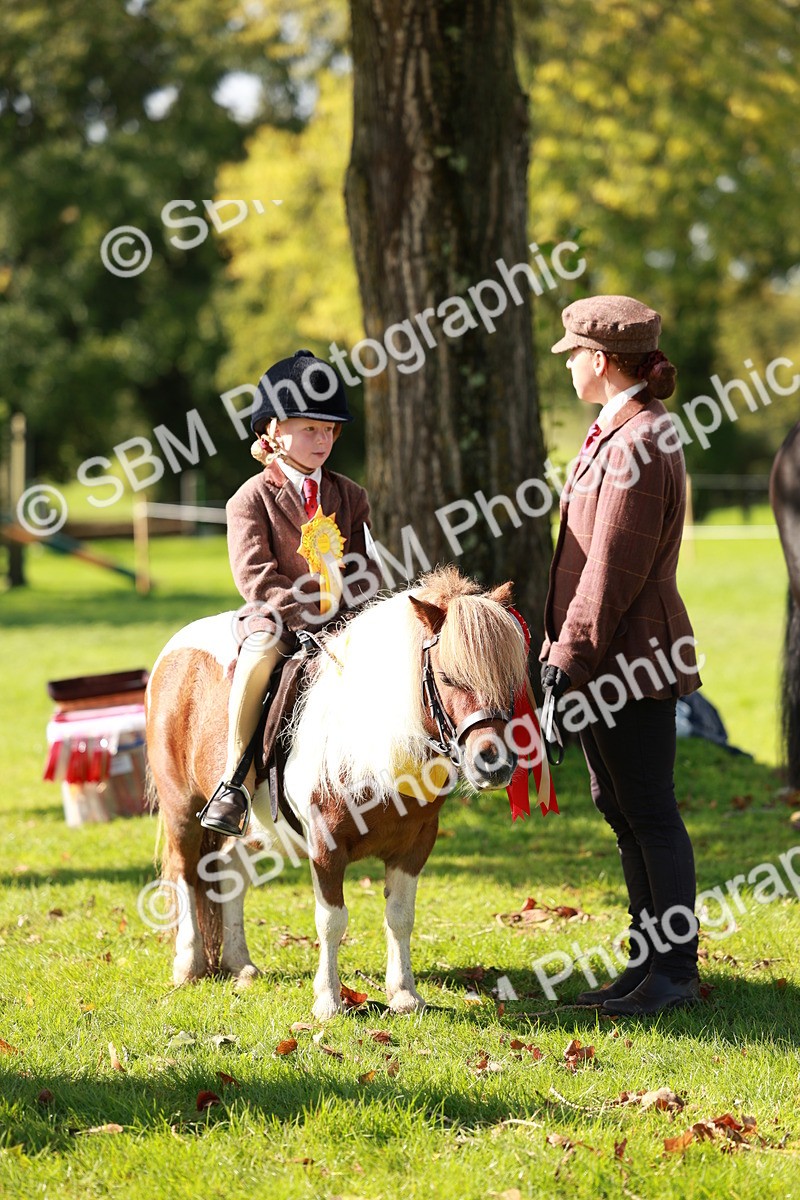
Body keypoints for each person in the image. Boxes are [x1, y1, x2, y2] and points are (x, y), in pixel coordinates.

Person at [541, 295, 701, 1015]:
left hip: (630, 659)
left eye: (574, 354)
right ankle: (647, 965)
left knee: (649, 812)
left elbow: (611, 569)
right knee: (623, 809)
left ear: (600, 362)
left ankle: (673, 974)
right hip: (609, 658)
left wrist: (565, 659)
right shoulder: (619, 429)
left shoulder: (640, 441)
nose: (570, 365)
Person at [198, 349, 381, 838]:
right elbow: (255, 576)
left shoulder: (351, 496)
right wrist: (307, 620)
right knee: (258, 656)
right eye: (309, 429)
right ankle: (234, 779)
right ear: (274, 431)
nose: (322, 441)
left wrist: (353, 617)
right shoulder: (249, 500)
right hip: (277, 622)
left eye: (328, 431)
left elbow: (366, 568)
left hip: (346, 623)